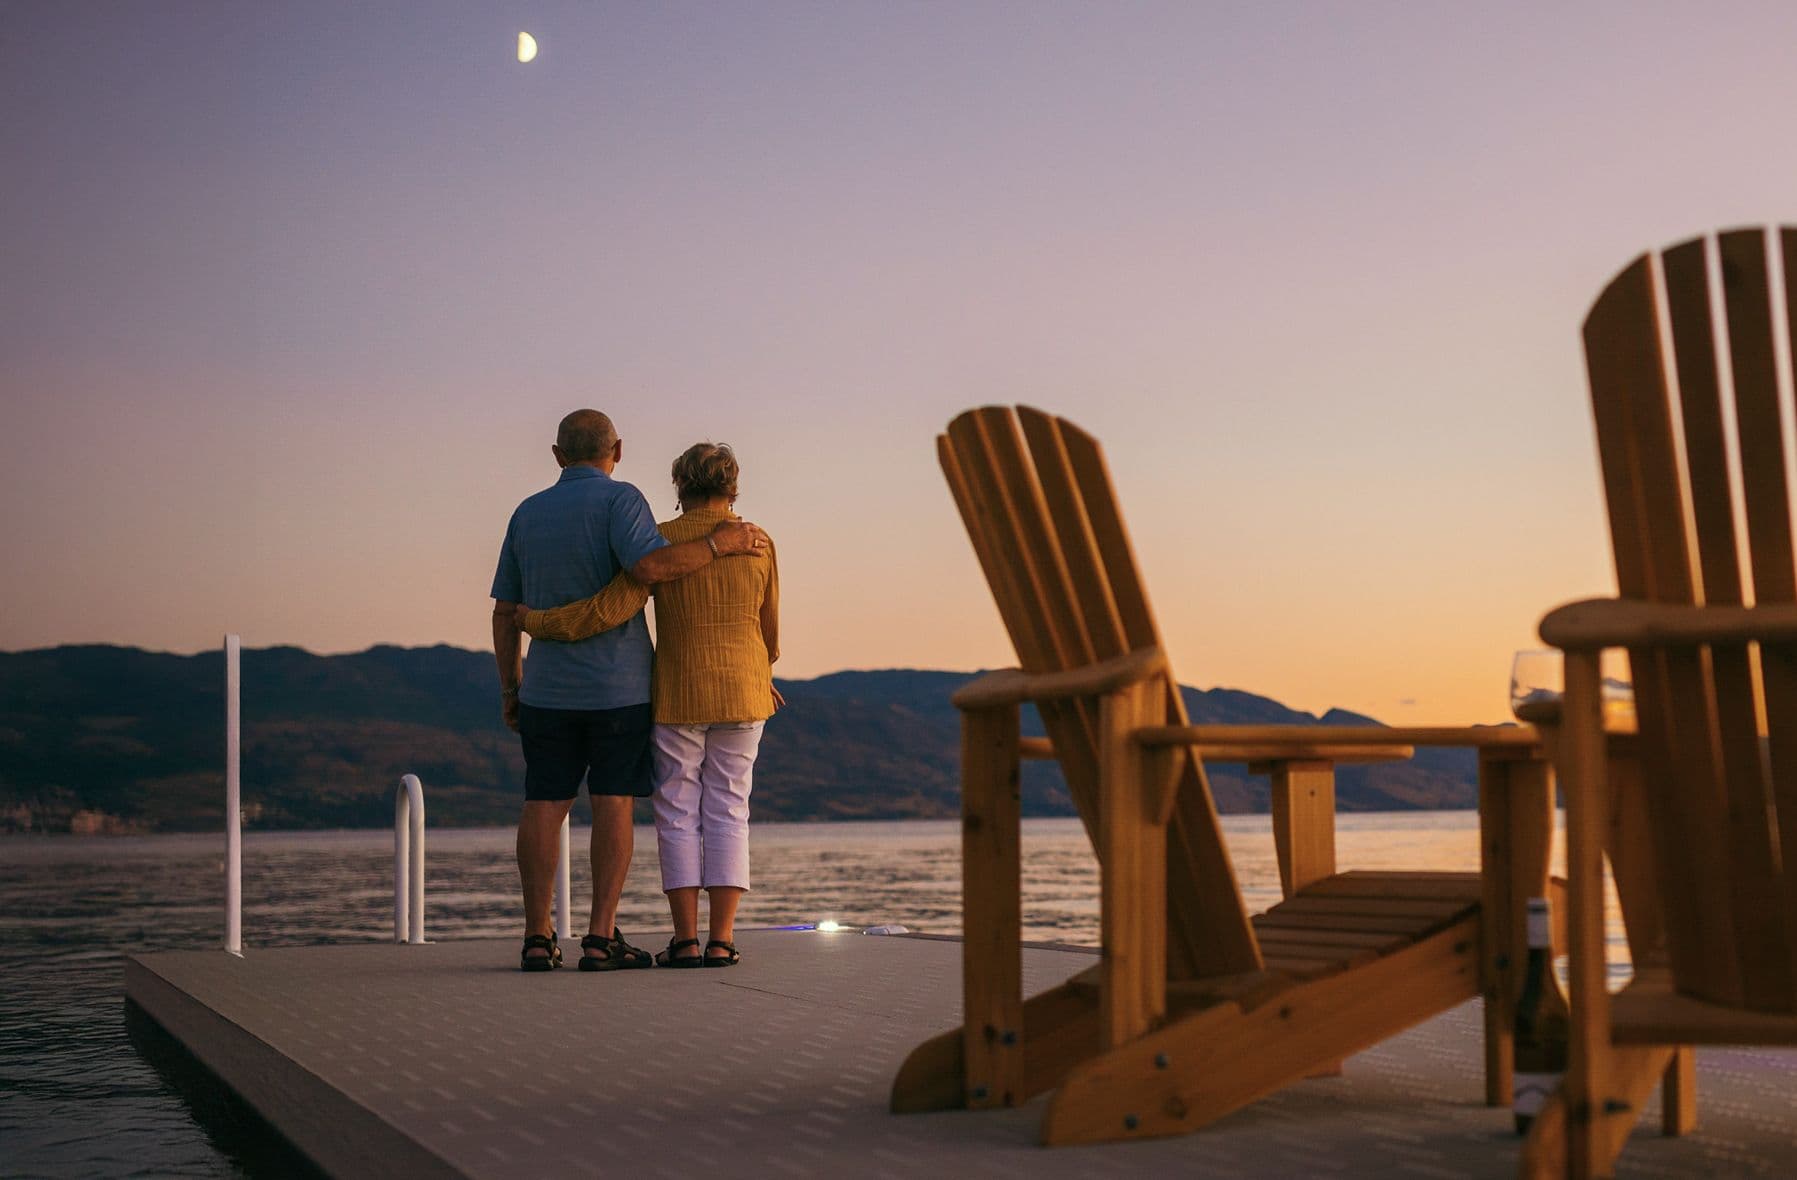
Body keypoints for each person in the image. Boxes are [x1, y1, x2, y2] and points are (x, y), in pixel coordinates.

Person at [491, 411, 766, 973]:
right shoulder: (622, 502)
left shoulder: (526, 513)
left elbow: (503, 612)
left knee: (544, 802)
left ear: (557, 454)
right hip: (619, 687)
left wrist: (511, 686)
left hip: (546, 689)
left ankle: (538, 936)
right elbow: (649, 567)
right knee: (614, 801)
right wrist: (717, 543)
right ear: (617, 448)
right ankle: (599, 938)